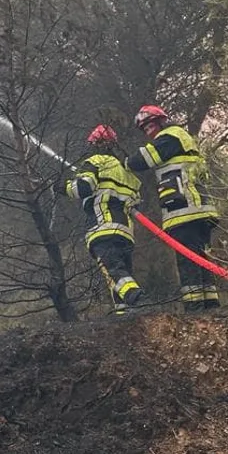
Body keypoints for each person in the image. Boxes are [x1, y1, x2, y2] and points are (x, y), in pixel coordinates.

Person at [125, 105, 221, 313]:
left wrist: (125, 162)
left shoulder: (170, 137)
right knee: (201, 258)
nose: (148, 132)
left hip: (185, 211)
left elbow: (142, 160)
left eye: (149, 126)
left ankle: (195, 310)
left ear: (161, 121)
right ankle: (212, 308)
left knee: (188, 261)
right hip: (198, 210)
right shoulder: (179, 139)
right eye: (144, 129)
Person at [59, 124, 147, 314]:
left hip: (102, 226)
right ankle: (124, 313)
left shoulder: (95, 161)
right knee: (120, 271)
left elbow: (83, 188)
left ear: (97, 144)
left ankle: (135, 297)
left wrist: (61, 187)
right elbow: (136, 204)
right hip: (124, 231)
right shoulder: (126, 172)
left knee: (112, 269)